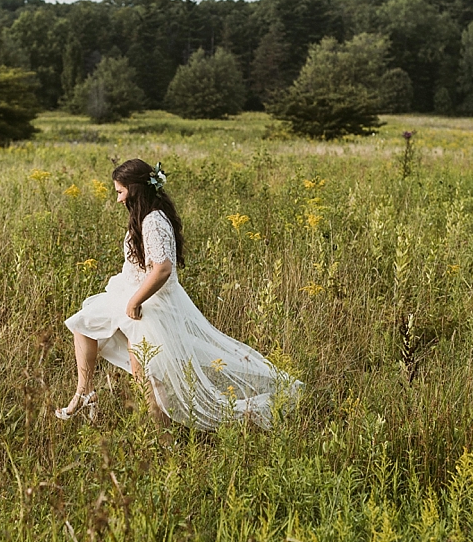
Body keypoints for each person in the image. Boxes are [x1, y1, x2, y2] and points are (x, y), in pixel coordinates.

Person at [56, 159, 301, 429]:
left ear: (135, 190)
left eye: (120, 192)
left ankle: (168, 439)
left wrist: (136, 301)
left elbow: (162, 270)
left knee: (146, 377)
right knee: (83, 324)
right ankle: (85, 393)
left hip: (150, 302)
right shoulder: (143, 217)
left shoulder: (153, 221)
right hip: (129, 291)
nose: (118, 199)